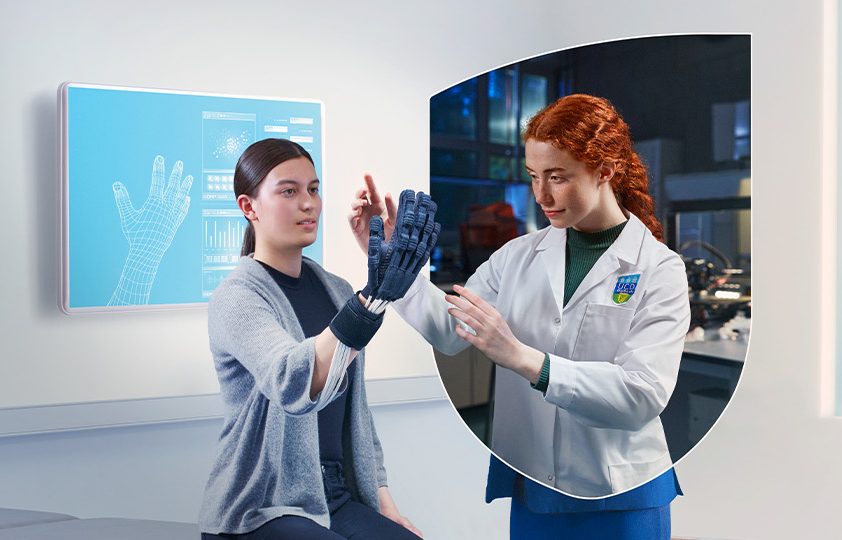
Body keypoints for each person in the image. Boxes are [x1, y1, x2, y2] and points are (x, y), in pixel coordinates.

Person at [353, 94, 689, 539]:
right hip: (533, 486)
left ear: (605, 170)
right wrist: (395, 265)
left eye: (558, 177)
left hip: (620, 493)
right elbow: (451, 331)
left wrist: (522, 358)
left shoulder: (658, 268)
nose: (541, 195)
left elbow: (641, 395)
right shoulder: (518, 255)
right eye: (533, 177)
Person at [203, 138, 431, 540]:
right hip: (262, 507)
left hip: (335, 497)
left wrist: (386, 507)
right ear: (248, 206)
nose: (308, 203)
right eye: (288, 191)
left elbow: (356, 417)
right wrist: (369, 302)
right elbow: (292, 381)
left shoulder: (336, 289)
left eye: (313, 189)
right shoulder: (237, 297)